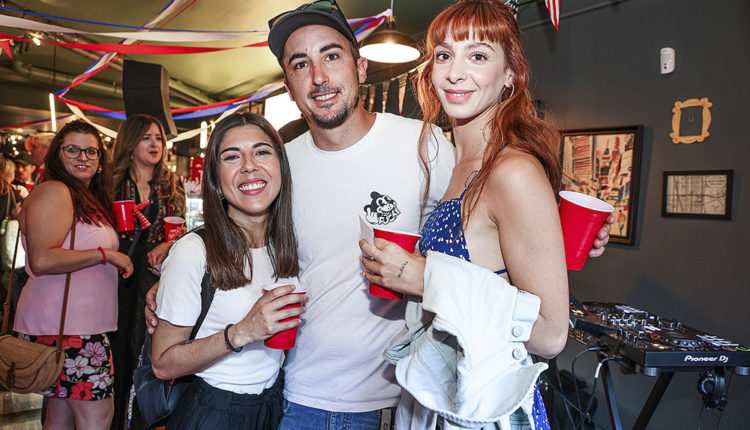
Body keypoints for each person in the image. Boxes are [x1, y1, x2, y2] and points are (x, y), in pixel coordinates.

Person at [146, 1, 611, 428]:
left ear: (360, 67)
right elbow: (247, 238)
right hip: (302, 395)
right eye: (300, 64)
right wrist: (179, 278)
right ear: (288, 87)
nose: (319, 77)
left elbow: (505, 215)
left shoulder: (427, 146)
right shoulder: (283, 164)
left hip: (405, 396)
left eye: (331, 56)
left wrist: (558, 224)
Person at [358, 1, 607, 428]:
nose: (455, 72)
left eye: (477, 55)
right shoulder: (454, 162)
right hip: (441, 395)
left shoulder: (513, 171)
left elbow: (550, 334)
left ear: (510, 74)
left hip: (485, 409)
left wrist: (426, 278)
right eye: (444, 55)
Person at [150, 112, 303, 429]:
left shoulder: (286, 245)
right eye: (232, 156)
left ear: (281, 167)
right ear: (216, 179)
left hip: (274, 404)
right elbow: (163, 363)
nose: (249, 165)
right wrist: (242, 332)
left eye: (262, 152)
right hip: (213, 410)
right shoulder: (194, 251)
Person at [13, 120, 133, 429]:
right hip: (70, 329)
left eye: (91, 151)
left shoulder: (82, 196)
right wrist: (105, 254)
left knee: (61, 417)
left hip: (72, 326)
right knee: (98, 417)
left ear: (100, 161)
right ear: (57, 154)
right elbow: (42, 259)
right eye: (73, 150)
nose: (83, 157)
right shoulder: (56, 190)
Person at [108, 113, 185, 430]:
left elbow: (180, 233)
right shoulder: (111, 183)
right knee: (113, 352)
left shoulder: (170, 184)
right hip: (112, 280)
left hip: (152, 282)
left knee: (143, 352)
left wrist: (169, 244)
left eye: (158, 138)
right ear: (130, 141)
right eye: (146, 138)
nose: (155, 144)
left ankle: (137, 422)